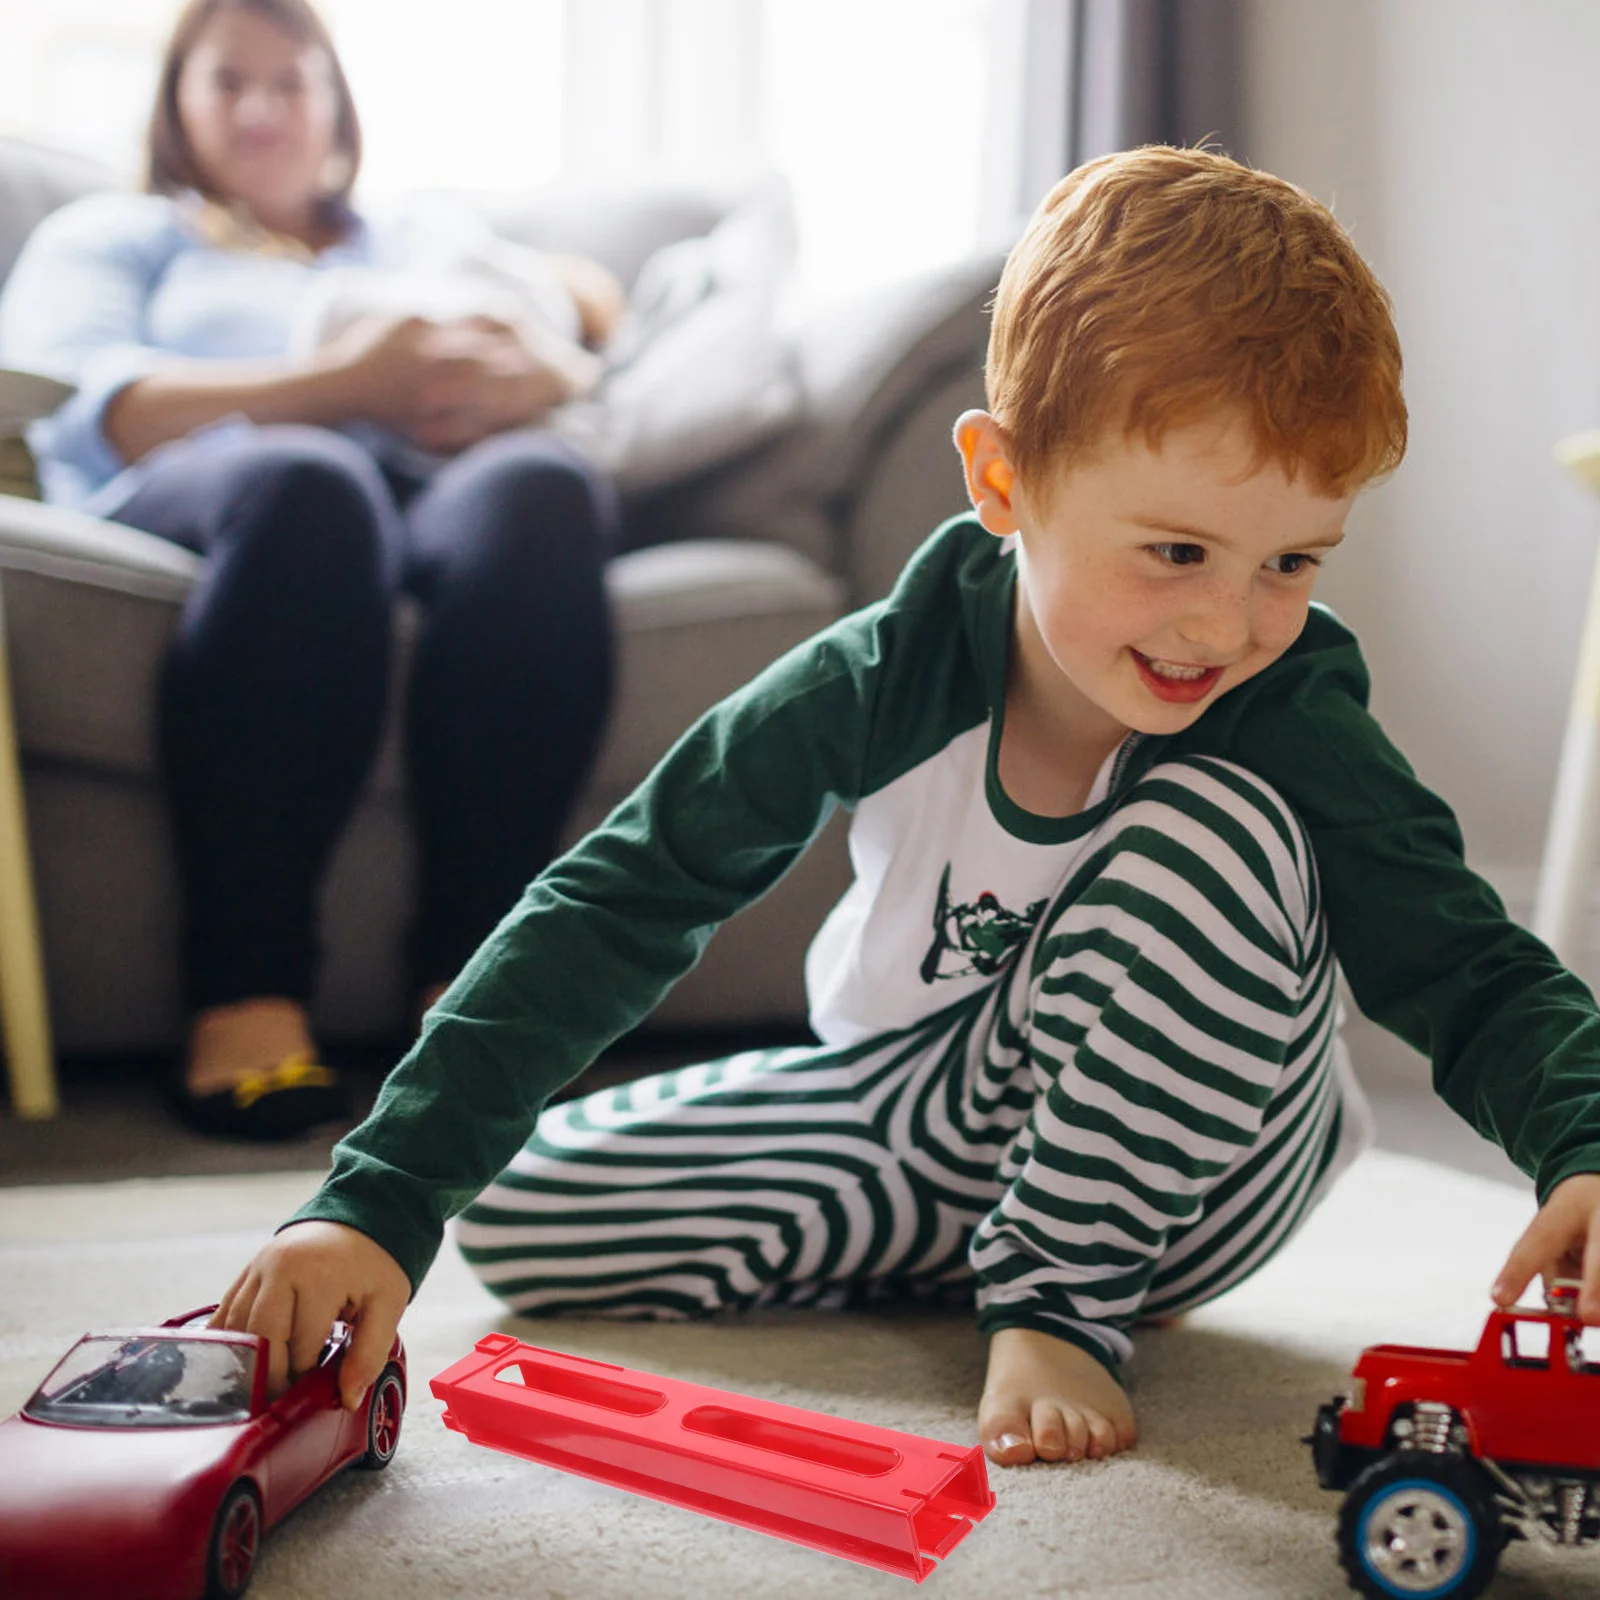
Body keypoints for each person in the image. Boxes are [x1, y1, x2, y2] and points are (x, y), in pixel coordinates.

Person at [208, 145, 1600, 1472]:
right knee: (507, 1204)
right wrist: (381, 1201)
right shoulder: (894, 665)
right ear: (1005, 481)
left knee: (1215, 836)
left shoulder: (1285, 705)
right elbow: (628, 888)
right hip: (930, 1112)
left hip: (1207, 1162)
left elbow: (1461, 960)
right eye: (1176, 549)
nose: (1230, 623)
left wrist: (1586, 1145)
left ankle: (1061, 1297)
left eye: (1292, 560)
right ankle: (990, 1239)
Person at [0, 0, 626, 1139]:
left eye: (291, 82)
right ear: (176, 103)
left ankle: (474, 1001)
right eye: (227, 80)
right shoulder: (119, 235)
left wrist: (546, 373)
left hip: (423, 484)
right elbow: (78, 404)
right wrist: (341, 383)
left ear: (337, 107)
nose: (260, 107)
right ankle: (244, 995)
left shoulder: (415, 237)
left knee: (540, 493)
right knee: (313, 483)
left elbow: (565, 322)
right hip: (219, 489)